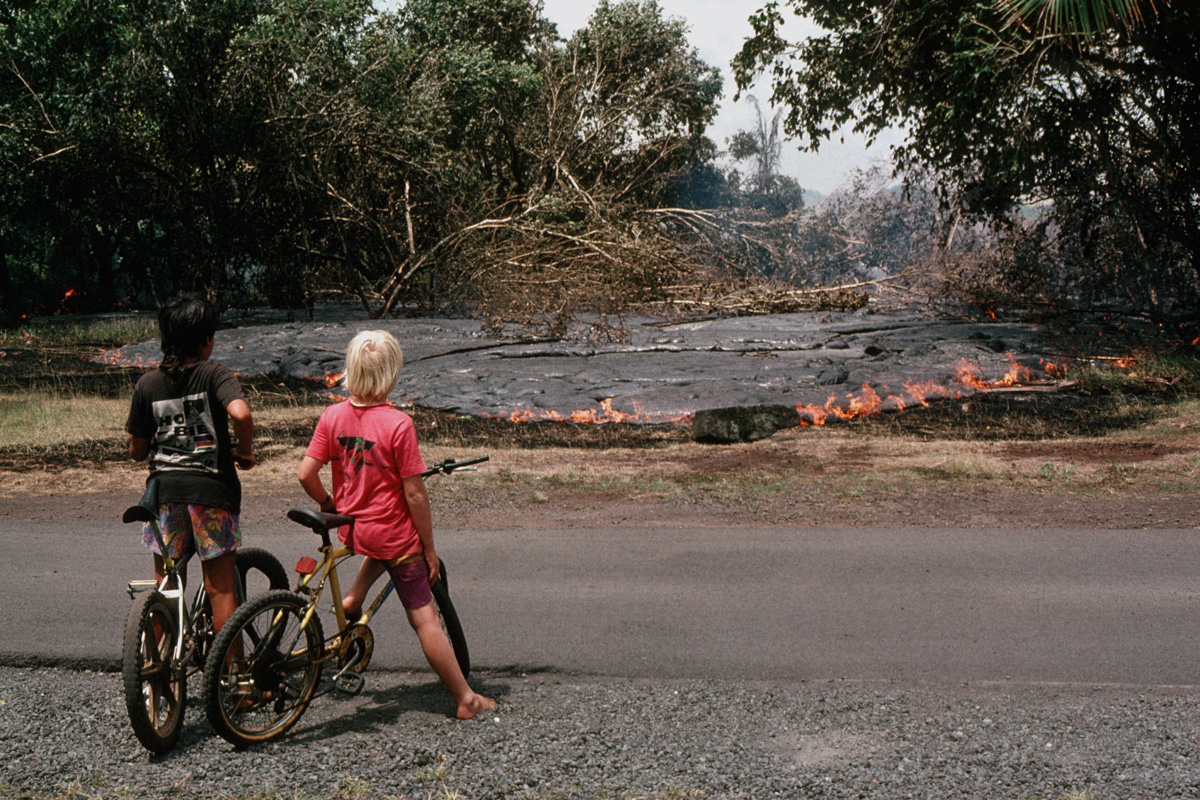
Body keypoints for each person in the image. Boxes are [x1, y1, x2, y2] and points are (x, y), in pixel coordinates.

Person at [298, 329, 496, 721]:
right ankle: (466, 699)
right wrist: (429, 547)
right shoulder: (398, 424)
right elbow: (415, 495)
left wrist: (328, 503)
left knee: (380, 548)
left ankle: (352, 598)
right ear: (391, 374)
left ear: (350, 371)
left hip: (352, 529)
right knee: (425, 619)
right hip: (393, 535)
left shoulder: (332, 415)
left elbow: (305, 474)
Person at [126, 294, 255, 637]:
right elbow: (241, 414)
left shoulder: (148, 384)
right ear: (206, 340)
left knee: (166, 586)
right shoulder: (216, 375)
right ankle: (239, 684)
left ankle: (160, 676)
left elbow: (137, 450)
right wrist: (245, 450)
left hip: (164, 495)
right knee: (221, 589)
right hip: (212, 493)